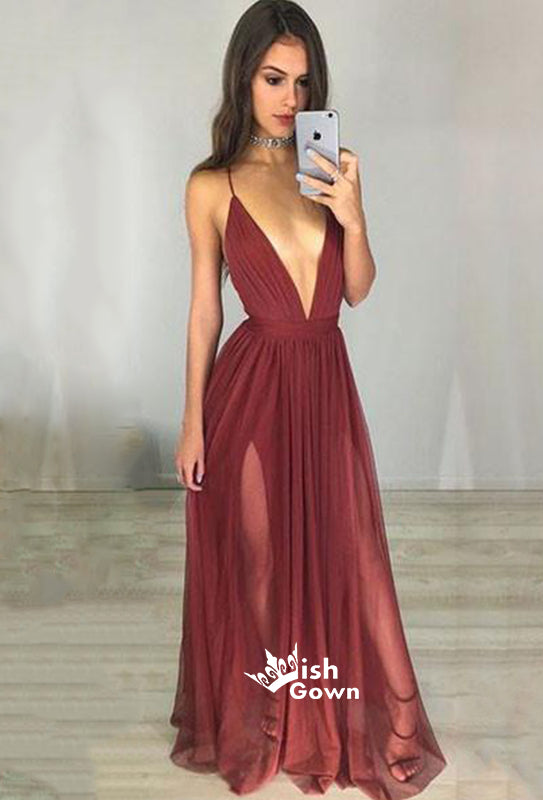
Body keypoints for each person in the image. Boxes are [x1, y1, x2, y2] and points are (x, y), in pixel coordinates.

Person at [169, 1, 447, 797]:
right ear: (244, 78)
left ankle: (326, 721)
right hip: (250, 390)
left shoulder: (333, 166)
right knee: (259, 564)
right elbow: (205, 311)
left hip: (325, 382)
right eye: (273, 79)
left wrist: (353, 215)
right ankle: (267, 726)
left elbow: (356, 292)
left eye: (302, 82)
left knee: (349, 556)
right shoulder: (211, 186)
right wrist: (192, 421)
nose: (290, 98)